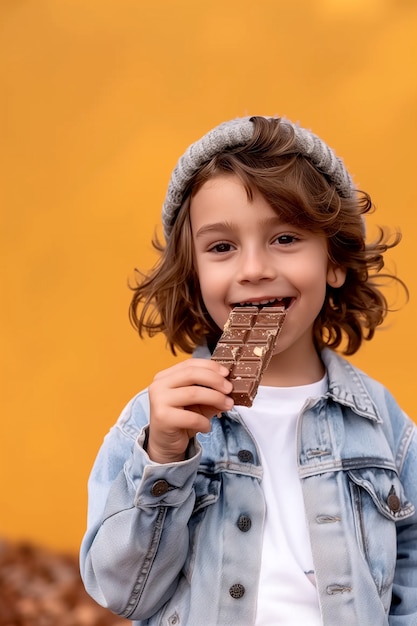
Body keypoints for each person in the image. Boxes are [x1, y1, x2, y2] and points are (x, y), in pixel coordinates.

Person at [79, 116, 417, 625]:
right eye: (221, 247)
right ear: (193, 274)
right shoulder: (155, 424)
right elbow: (121, 591)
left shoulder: (383, 426)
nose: (254, 268)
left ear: (334, 260)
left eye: (285, 238)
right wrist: (164, 457)